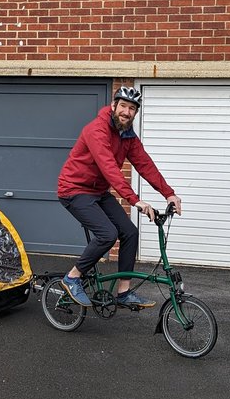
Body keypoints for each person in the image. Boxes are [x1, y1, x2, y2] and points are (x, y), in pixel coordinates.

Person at [56, 86, 181, 308]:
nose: (127, 112)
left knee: (130, 232)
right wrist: (135, 200)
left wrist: (169, 193)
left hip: (98, 192)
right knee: (107, 234)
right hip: (74, 189)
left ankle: (123, 292)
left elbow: (145, 164)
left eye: (132, 108)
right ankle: (72, 278)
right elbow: (109, 169)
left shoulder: (127, 135)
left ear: (135, 113)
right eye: (123, 106)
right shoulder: (97, 129)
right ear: (113, 106)